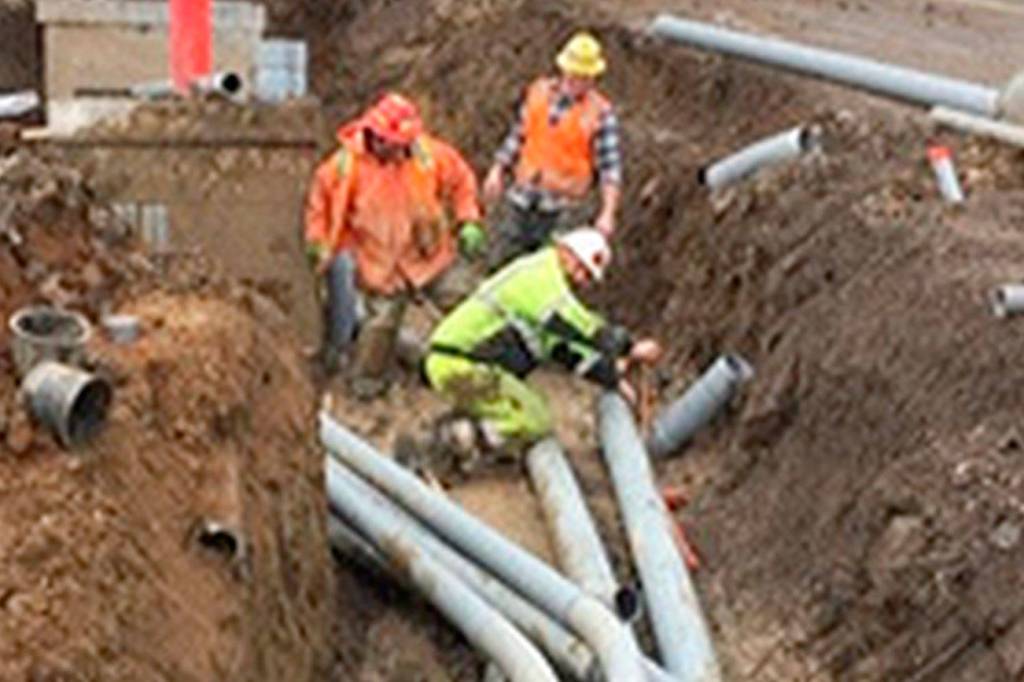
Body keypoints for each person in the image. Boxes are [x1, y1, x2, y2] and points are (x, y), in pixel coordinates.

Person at [423, 227, 661, 460]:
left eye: (588, 277)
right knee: (535, 420)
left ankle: (461, 437)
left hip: (462, 362)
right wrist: (630, 347)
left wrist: (611, 377)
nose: (580, 279)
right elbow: (579, 324)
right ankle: (451, 443)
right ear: (564, 251)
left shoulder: (546, 293)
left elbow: (562, 349)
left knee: (526, 412)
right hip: (462, 362)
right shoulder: (542, 277)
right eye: (581, 268)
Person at [304, 92, 486, 397]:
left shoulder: (426, 154)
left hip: (430, 256)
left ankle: (478, 364)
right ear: (378, 135)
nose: (403, 148)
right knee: (380, 328)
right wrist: (318, 242)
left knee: (471, 304)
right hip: (381, 265)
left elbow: (462, 180)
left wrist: (468, 219)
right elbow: (318, 207)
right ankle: (366, 385)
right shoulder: (344, 167)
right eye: (397, 143)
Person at [482, 32, 623, 269]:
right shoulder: (539, 93)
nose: (577, 82)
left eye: (584, 78)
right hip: (523, 197)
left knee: (550, 270)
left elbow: (610, 169)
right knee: (503, 264)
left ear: (592, 78)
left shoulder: (600, 114)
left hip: (563, 209)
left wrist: (608, 213)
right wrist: (497, 169)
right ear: (563, 69)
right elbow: (519, 135)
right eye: (573, 75)